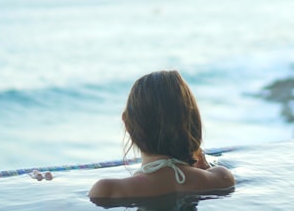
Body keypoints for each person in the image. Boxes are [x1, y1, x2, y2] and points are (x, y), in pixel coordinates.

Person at [89, 70, 235, 200]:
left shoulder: (107, 191)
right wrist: (203, 166)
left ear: (127, 124)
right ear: (194, 123)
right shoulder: (221, 178)